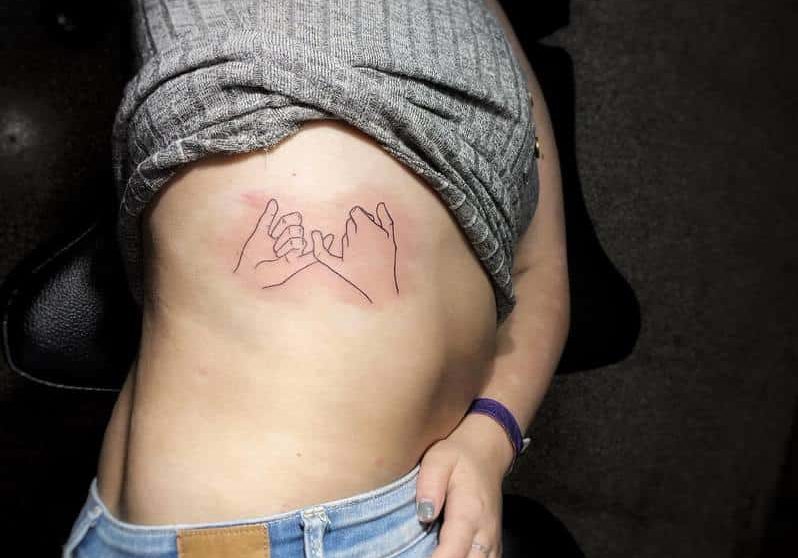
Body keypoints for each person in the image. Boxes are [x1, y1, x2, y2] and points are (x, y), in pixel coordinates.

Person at [62, 0, 568, 556]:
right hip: (251, 525)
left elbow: (541, 269)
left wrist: (493, 433)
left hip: (422, 521)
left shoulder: (490, 20)